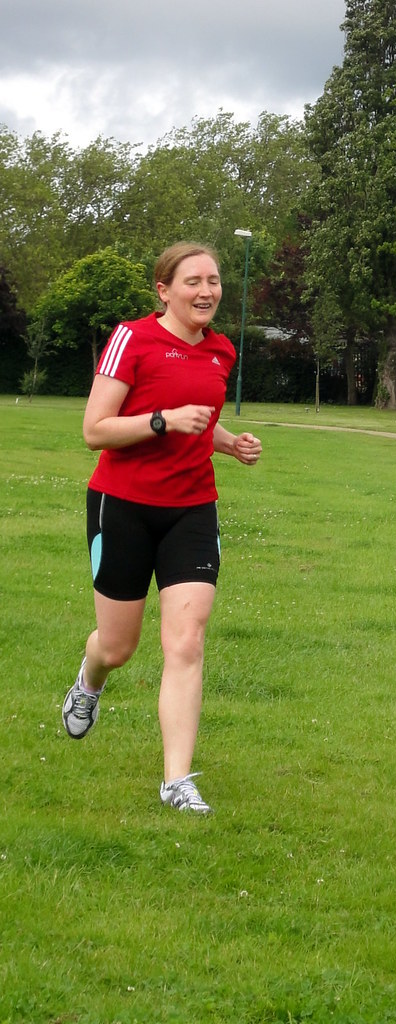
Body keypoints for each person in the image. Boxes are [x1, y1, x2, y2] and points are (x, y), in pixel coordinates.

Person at [61, 242, 262, 815]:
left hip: (192, 508)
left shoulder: (222, 350)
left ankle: (177, 780)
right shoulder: (133, 339)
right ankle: (89, 680)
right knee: (119, 646)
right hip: (121, 505)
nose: (207, 291)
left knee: (187, 640)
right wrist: (161, 420)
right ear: (164, 290)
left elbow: (202, 423)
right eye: (193, 281)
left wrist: (230, 443)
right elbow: (95, 431)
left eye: (215, 281)